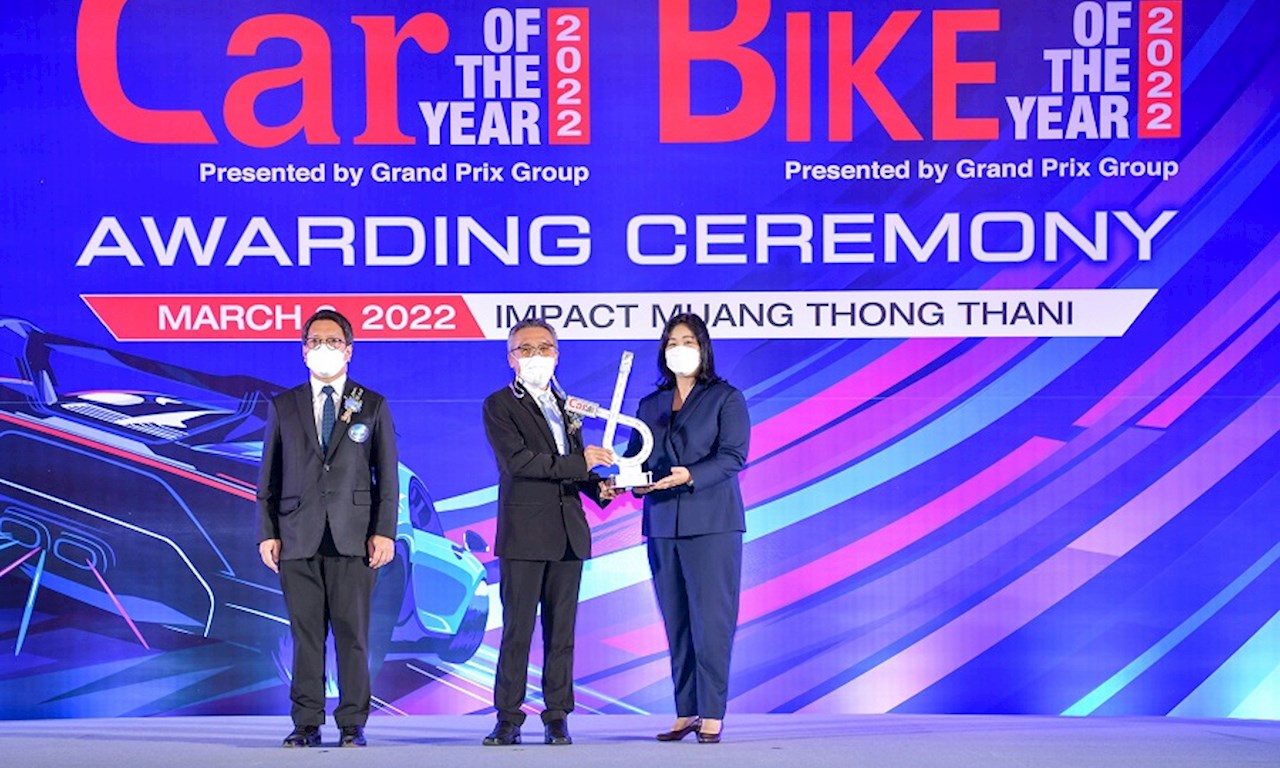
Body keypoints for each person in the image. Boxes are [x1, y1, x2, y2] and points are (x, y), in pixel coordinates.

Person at [257, 309, 398, 749]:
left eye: (333, 341)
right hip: (297, 536)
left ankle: (353, 723)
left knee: (353, 635)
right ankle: (306, 722)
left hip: (353, 537)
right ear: (303, 351)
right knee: (306, 636)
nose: (324, 347)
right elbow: (269, 476)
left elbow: (387, 476)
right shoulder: (284, 405)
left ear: (348, 350)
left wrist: (384, 531)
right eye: (315, 341)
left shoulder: (371, 404)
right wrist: (267, 531)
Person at [481, 318, 614, 746]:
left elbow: (573, 467)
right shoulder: (499, 405)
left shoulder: (568, 405)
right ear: (511, 358)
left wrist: (599, 487)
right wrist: (581, 464)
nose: (536, 355)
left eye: (544, 347)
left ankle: (557, 715)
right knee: (517, 632)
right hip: (523, 535)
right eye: (526, 348)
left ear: (557, 354)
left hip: (568, 534)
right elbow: (519, 462)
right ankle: (508, 717)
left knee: (562, 634)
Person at [627, 313, 750, 744]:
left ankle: (712, 713)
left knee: (711, 622)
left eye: (688, 341)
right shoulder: (650, 405)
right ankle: (687, 711)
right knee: (677, 622)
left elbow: (733, 457)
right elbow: (636, 461)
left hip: (712, 524)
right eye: (672, 342)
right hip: (662, 525)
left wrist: (691, 475)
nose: (679, 349)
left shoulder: (726, 398)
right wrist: (626, 482)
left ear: (703, 348)